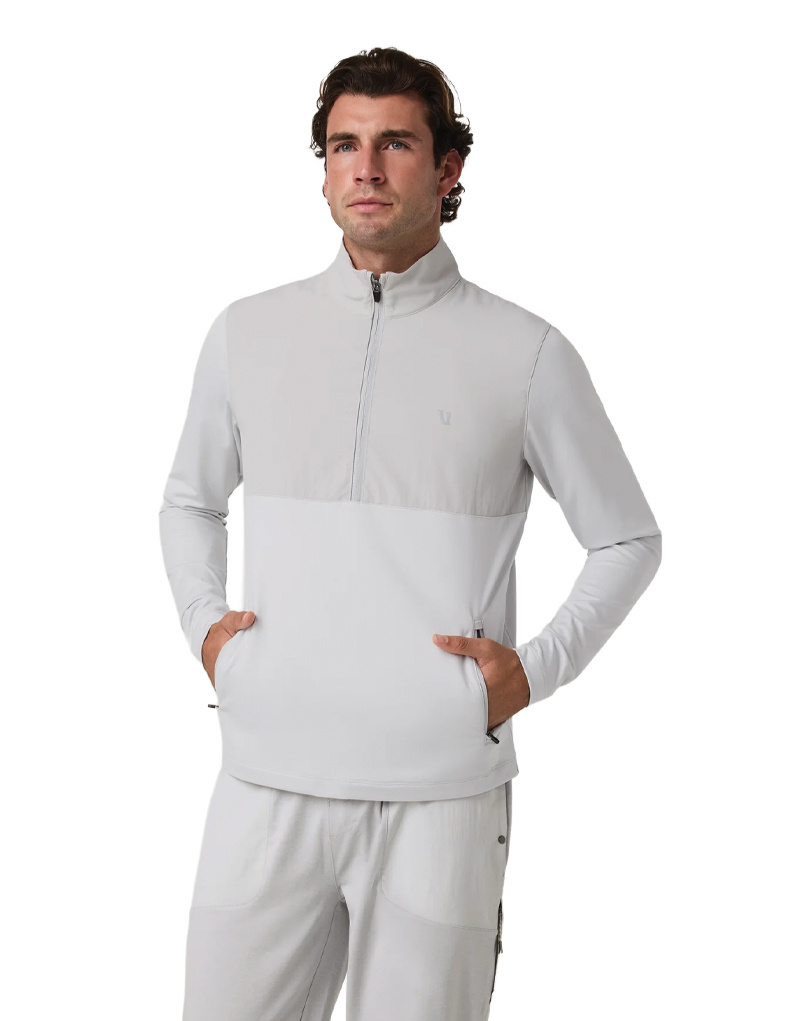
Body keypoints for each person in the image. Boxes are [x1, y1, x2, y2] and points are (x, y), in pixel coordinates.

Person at [159, 45, 662, 1021]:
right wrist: (208, 633)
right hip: (265, 771)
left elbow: (627, 539)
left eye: (395, 143)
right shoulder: (246, 333)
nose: (366, 168)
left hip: (441, 794)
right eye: (344, 145)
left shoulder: (525, 352)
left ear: (447, 168)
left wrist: (530, 672)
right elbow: (188, 500)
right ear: (323, 169)